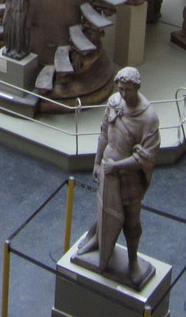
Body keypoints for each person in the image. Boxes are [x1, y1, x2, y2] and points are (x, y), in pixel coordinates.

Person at [75, 67, 161, 288]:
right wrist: (97, 162)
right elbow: (104, 133)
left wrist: (117, 166)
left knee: (131, 221)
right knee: (105, 209)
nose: (123, 94)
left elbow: (146, 156)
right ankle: (98, 239)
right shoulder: (114, 102)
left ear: (137, 87)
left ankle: (133, 261)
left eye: (127, 90)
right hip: (108, 171)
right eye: (120, 89)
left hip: (129, 178)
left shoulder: (148, 117)